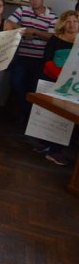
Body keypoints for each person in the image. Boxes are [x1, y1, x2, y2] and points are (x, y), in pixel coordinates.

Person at [7, 0, 57, 123]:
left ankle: (26, 116)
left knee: (33, 87)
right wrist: (24, 31)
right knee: (15, 83)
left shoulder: (52, 16)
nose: (34, 1)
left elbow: (52, 37)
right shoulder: (23, 10)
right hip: (22, 55)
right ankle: (25, 111)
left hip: (40, 59)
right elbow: (9, 22)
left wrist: (34, 32)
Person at [34, 10, 79, 165]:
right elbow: (46, 60)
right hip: (52, 79)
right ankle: (45, 144)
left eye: (75, 21)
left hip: (71, 86)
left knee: (64, 117)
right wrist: (60, 75)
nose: (72, 24)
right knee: (48, 114)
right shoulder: (55, 39)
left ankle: (55, 150)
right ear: (63, 23)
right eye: (68, 21)